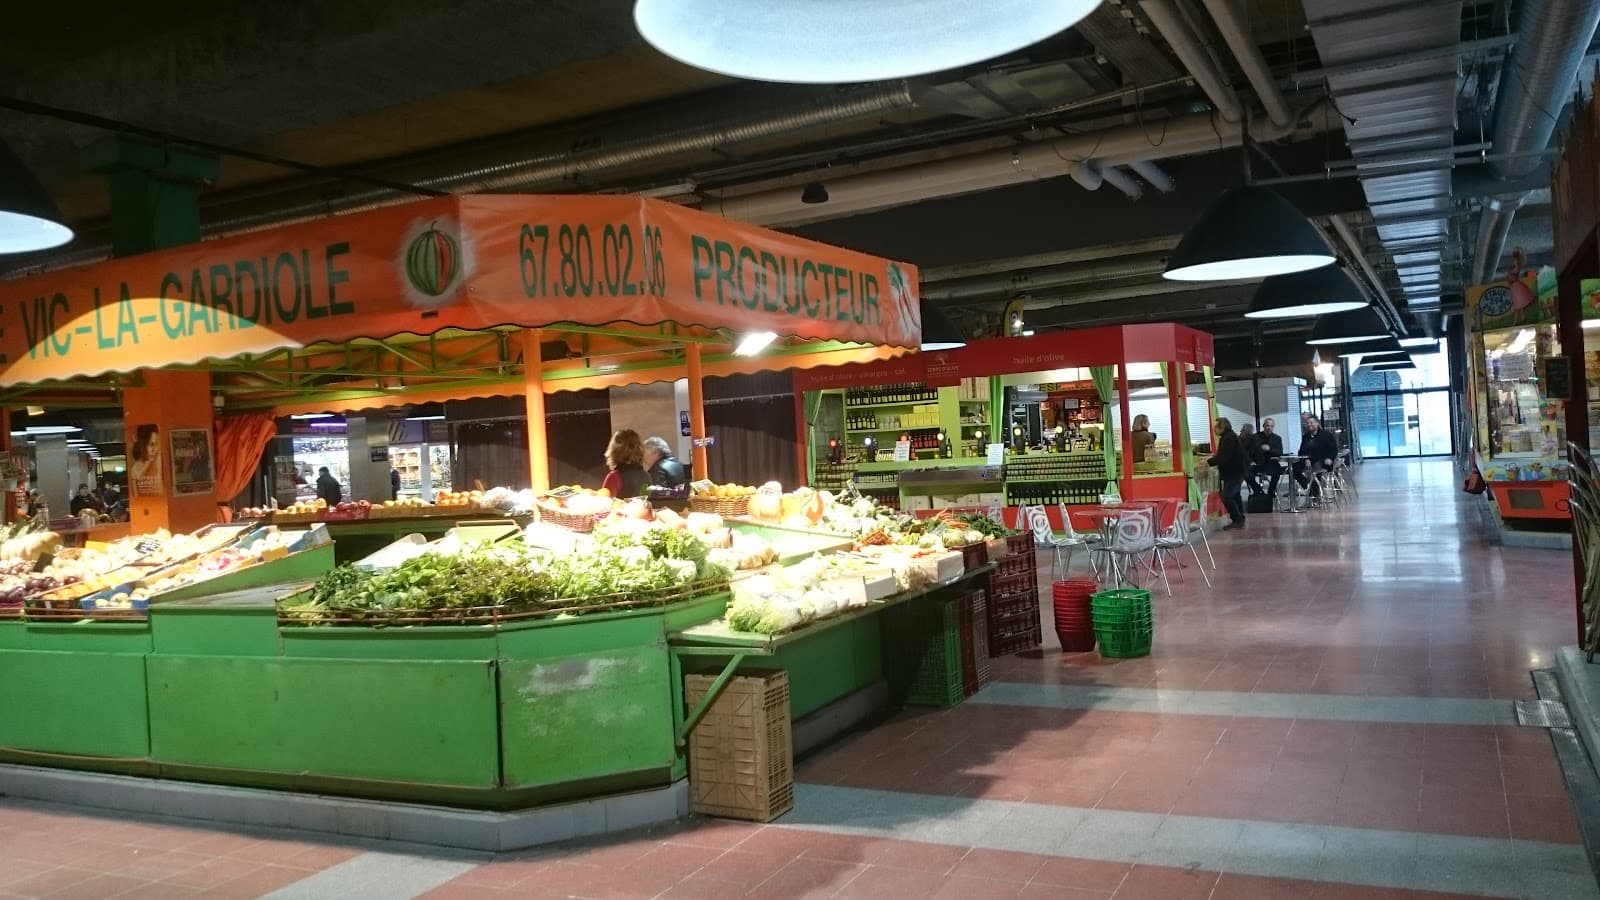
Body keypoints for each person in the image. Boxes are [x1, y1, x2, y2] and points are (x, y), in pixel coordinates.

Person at [1208, 417, 1247, 529]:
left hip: (1235, 472)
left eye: (1216, 427)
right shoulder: (1229, 436)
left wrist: (1209, 462)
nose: (1214, 429)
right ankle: (1240, 518)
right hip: (1237, 471)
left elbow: (1224, 457)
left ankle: (1237, 519)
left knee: (1227, 496)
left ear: (1222, 427)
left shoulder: (1228, 438)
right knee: (1235, 495)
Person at [1294, 414, 1339, 501]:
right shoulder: (1305, 437)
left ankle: (1315, 493)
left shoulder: (1326, 435)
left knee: (1315, 469)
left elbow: (1334, 449)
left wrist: (1330, 458)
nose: (1309, 425)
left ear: (1317, 423)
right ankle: (1309, 488)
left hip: (1323, 461)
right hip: (1309, 461)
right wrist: (1305, 459)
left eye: (1311, 423)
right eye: (1307, 423)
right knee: (1293, 468)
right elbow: (1301, 452)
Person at [600, 429, 651, 498]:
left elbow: (604, 504)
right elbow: (646, 503)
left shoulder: (614, 477)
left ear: (614, 450)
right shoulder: (646, 476)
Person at [1251, 417, 1285, 498]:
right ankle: (1258, 490)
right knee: (1246, 473)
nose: (1269, 428)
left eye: (1271, 426)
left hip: (1271, 463)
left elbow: (1279, 452)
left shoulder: (1277, 438)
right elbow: (1251, 451)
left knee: (1277, 470)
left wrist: (1270, 449)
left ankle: (1271, 491)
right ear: (1263, 426)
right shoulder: (1255, 437)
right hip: (1258, 463)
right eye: (1267, 426)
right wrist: (1251, 461)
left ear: (1273, 427)